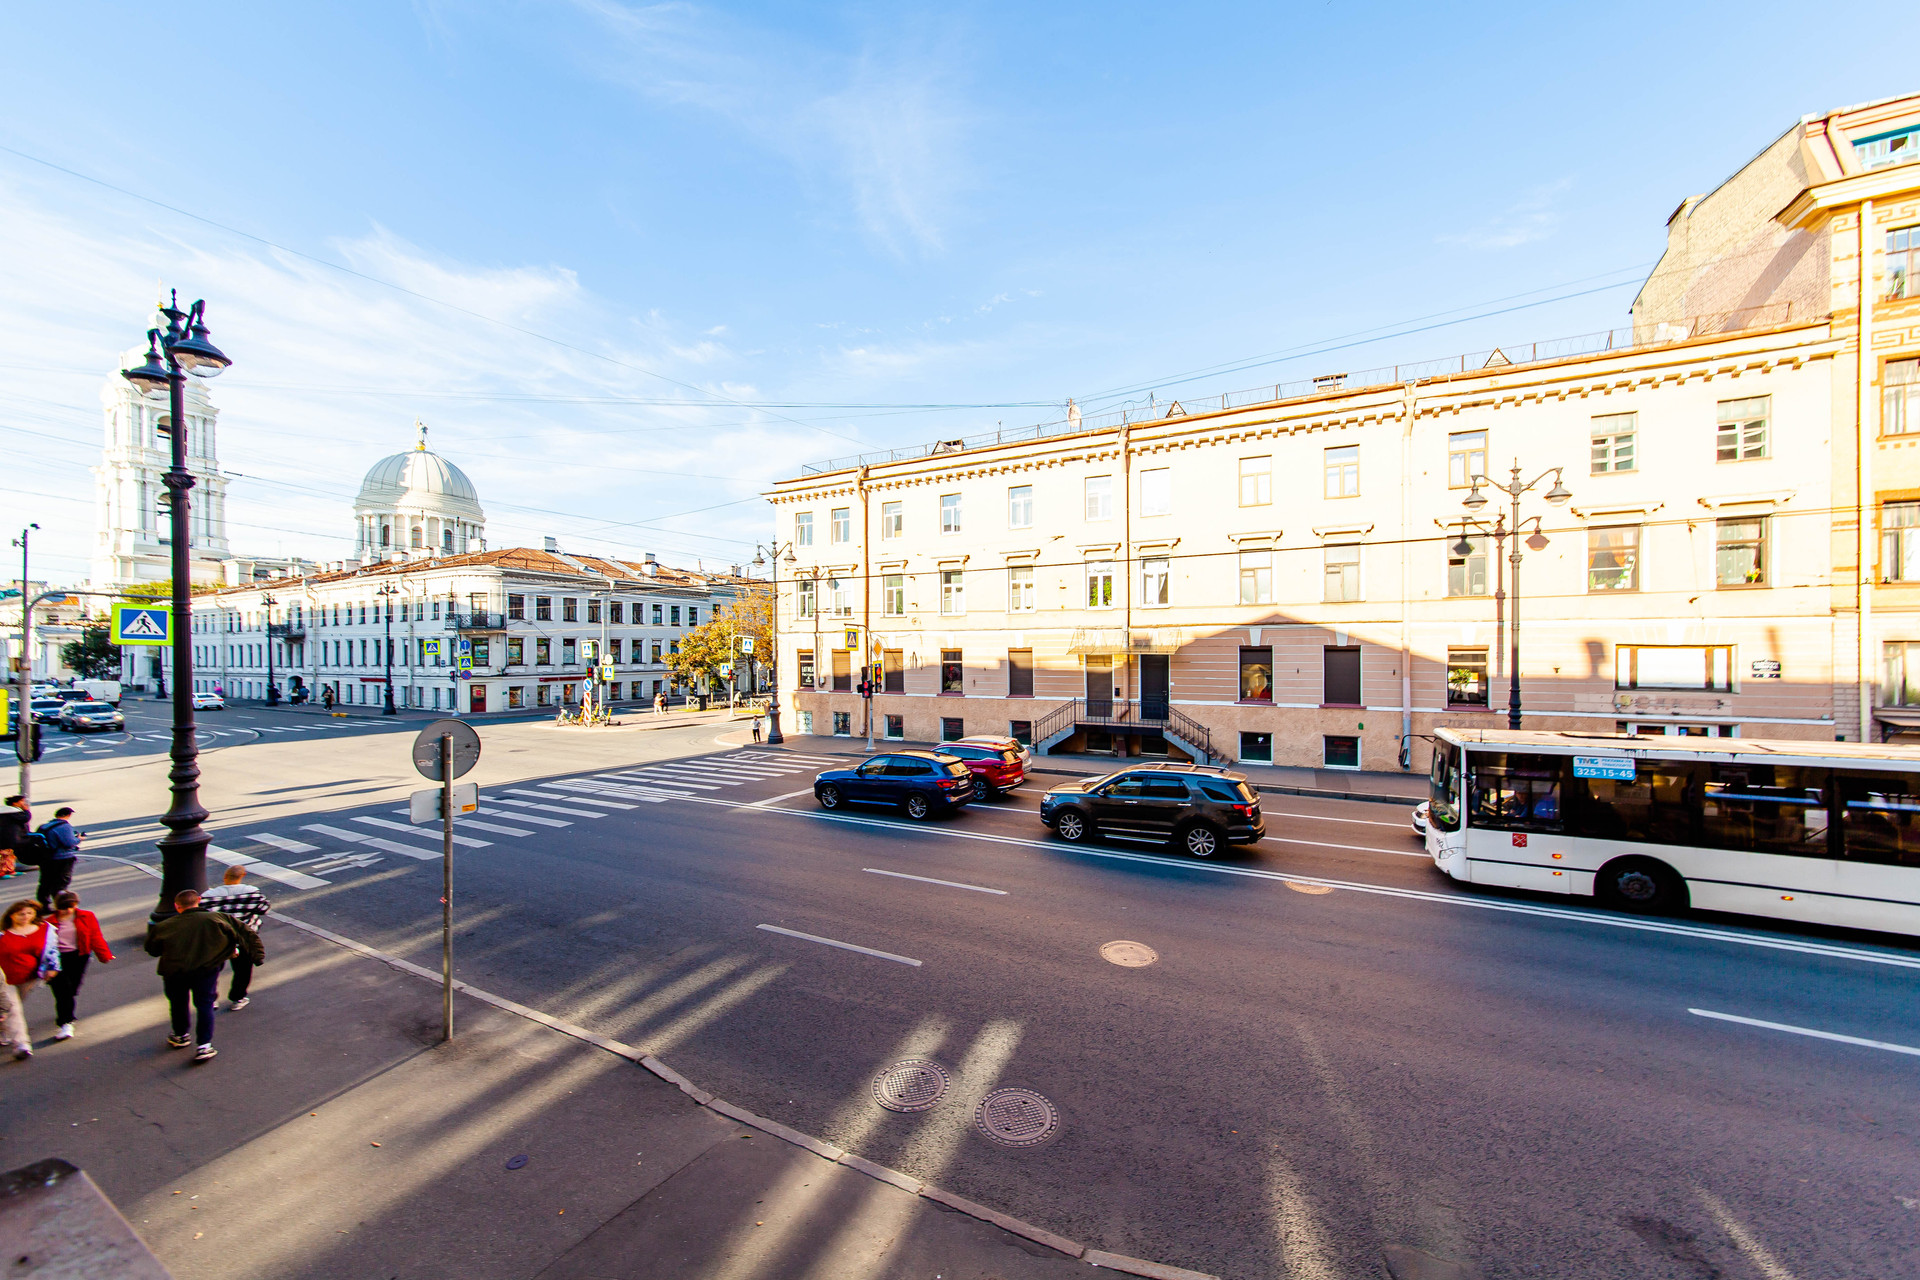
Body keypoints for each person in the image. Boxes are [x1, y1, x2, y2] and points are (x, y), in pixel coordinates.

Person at [144, 889, 241, 1063]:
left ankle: (180, 1035)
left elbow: (153, 950)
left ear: (177, 906)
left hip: (174, 971)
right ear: (199, 900)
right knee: (205, 1005)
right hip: (205, 970)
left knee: (178, 1003)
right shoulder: (214, 921)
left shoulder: (164, 926)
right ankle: (204, 1045)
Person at [45, 890, 112, 1040]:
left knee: (72, 989)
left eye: (72, 906)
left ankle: (66, 1010)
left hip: (79, 956)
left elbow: (95, 936)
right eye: (64, 908)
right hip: (57, 959)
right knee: (63, 991)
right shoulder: (49, 922)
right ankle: (66, 1022)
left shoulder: (86, 916)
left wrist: (104, 954)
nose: (68, 910)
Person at [200, 866, 269, 1010]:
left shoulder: (208, 896)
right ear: (243, 875)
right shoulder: (252, 893)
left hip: (219, 938)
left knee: (212, 969)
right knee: (242, 970)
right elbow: (264, 909)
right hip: (244, 937)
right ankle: (238, 998)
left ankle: (211, 998)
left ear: (225, 876)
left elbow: (202, 915)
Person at [0, 899, 58, 1061]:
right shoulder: (3, 933)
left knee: (9, 1008)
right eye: (21, 914)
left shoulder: (45, 929)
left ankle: (3, 1029)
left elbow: (52, 950)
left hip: (29, 978)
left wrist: (53, 967)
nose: (25, 916)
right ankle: (21, 1045)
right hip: (5, 980)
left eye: (29, 913)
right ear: (12, 915)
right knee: (13, 1008)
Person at [35, 807, 81, 910]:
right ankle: (61, 905)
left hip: (46, 858)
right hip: (63, 858)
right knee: (61, 882)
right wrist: (78, 839)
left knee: (45, 882)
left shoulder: (44, 826)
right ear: (68, 815)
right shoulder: (64, 826)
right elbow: (69, 843)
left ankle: (44, 905)